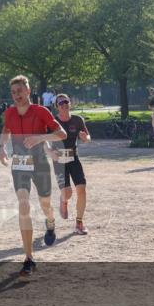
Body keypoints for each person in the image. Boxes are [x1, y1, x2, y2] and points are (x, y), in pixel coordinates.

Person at [0, 75, 67, 277]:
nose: (16, 95)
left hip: (40, 164)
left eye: (20, 91)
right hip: (19, 164)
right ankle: (29, 258)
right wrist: (1, 146)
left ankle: (51, 221)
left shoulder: (41, 111)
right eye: (13, 92)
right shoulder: (10, 113)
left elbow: (61, 133)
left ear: (28, 91)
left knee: (45, 204)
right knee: (24, 204)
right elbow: (6, 130)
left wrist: (40, 137)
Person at [50, 94, 92, 234]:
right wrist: (50, 152)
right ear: (57, 106)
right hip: (59, 161)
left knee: (82, 189)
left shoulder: (77, 120)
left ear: (70, 103)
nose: (64, 104)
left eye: (66, 101)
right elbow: (44, 141)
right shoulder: (52, 121)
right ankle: (63, 200)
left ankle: (79, 223)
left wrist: (85, 138)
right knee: (67, 194)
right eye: (60, 102)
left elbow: (88, 137)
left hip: (74, 158)